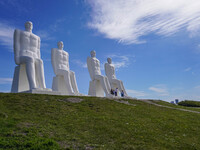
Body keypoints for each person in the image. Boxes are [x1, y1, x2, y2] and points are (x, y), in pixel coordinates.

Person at [13, 21, 46, 90]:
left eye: (31, 24)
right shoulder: (19, 32)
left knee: (40, 61)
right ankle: (32, 85)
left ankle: (43, 86)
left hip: (34, 56)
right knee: (30, 59)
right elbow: (16, 44)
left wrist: (38, 58)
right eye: (27, 24)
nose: (29, 25)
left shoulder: (37, 37)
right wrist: (16, 57)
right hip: (22, 55)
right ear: (25, 25)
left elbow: (38, 50)